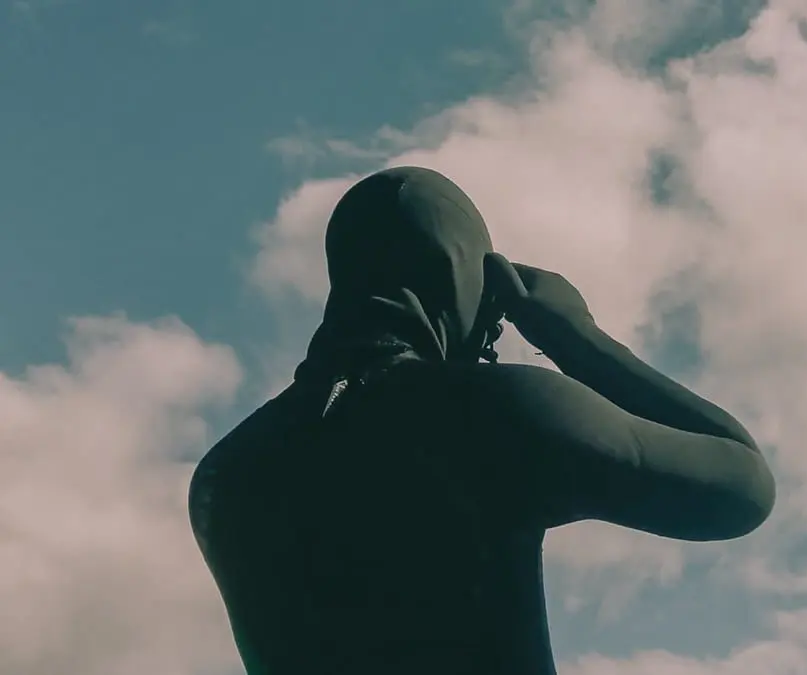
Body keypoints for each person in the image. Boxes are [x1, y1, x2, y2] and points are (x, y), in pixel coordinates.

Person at [187, 166, 776, 675]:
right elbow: (742, 485)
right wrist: (575, 336)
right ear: (464, 277)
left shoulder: (225, 472)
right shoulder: (495, 413)